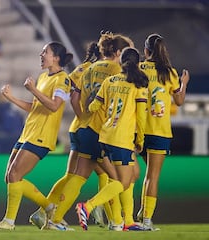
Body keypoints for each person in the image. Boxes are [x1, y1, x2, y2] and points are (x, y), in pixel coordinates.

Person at [0, 41, 73, 230]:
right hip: (28, 133)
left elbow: (54, 106)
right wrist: (11, 98)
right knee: (10, 177)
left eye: (45, 52)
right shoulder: (43, 77)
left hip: (42, 135)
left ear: (56, 58)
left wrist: (33, 90)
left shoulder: (63, 79)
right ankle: (49, 207)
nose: (41, 55)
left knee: (15, 174)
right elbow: (35, 107)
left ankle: (9, 222)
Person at [28, 41, 106, 230]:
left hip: (76, 128)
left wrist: (80, 118)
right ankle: (98, 211)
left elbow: (70, 90)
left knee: (71, 175)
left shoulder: (81, 69)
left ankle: (43, 211)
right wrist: (85, 118)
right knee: (98, 174)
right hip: (92, 128)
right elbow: (73, 96)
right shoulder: (105, 70)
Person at [75, 47, 149, 231]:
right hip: (121, 138)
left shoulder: (109, 81)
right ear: (137, 63)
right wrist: (140, 139)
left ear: (121, 62)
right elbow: (141, 117)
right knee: (122, 182)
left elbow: (93, 107)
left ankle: (126, 221)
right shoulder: (137, 84)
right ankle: (88, 206)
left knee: (131, 175)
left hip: (105, 135)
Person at [136, 33, 190, 231]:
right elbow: (179, 101)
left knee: (129, 173)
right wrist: (184, 82)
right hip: (159, 131)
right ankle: (147, 220)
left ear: (146, 51)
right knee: (152, 176)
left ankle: (131, 215)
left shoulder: (138, 68)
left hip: (137, 130)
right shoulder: (170, 73)